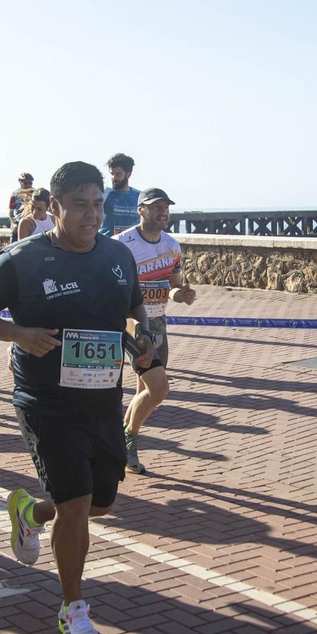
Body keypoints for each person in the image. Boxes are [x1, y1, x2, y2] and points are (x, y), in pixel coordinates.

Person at [0, 161, 155, 634]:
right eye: (79, 206)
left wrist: (142, 340)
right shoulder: (23, 258)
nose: (90, 215)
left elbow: (132, 311)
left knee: (101, 502)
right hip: (45, 399)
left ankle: (31, 512)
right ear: (54, 207)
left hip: (101, 398)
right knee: (76, 508)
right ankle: (74, 610)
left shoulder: (117, 255)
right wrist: (19, 334)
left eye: (97, 204)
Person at [116, 188, 195, 473]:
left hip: (159, 322)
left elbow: (171, 285)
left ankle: (121, 442)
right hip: (132, 324)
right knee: (159, 389)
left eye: (166, 207)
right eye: (156, 207)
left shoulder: (172, 246)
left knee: (144, 389)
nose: (163, 212)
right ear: (141, 210)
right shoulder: (121, 244)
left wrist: (181, 295)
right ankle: (127, 440)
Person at [98, 153, 139, 236]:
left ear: (128, 174)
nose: (114, 178)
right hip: (107, 243)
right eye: (112, 174)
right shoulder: (104, 193)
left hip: (131, 244)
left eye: (118, 174)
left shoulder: (139, 196)